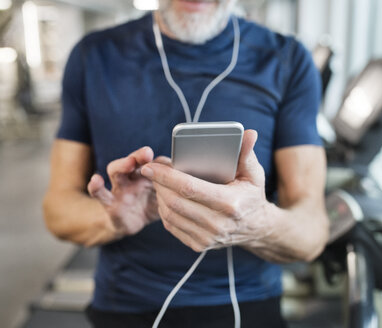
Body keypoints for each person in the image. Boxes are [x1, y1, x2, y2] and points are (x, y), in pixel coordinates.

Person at [43, 0, 329, 327]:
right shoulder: (92, 56)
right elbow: (58, 210)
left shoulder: (287, 60)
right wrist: (113, 219)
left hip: (244, 301)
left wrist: (257, 224)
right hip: (126, 304)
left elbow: (312, 233)